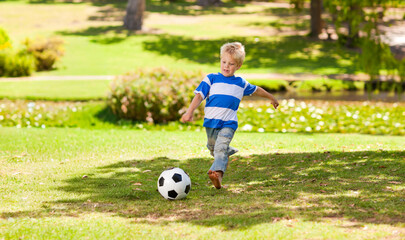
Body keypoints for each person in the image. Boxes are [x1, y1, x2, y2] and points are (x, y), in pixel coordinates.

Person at [181, 42, 279, 189]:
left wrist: (271, 97)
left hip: (228, 123)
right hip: (210, 123)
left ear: (238, 66)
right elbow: (199, 96)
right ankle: (228, 150)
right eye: (224, 62)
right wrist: (189, 112)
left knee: (220, 149)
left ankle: (217, 176)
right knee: (213, 148)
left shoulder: (241, 83)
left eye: (231, 64)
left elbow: (257, 90)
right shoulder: (211, 78)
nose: (226, 66)